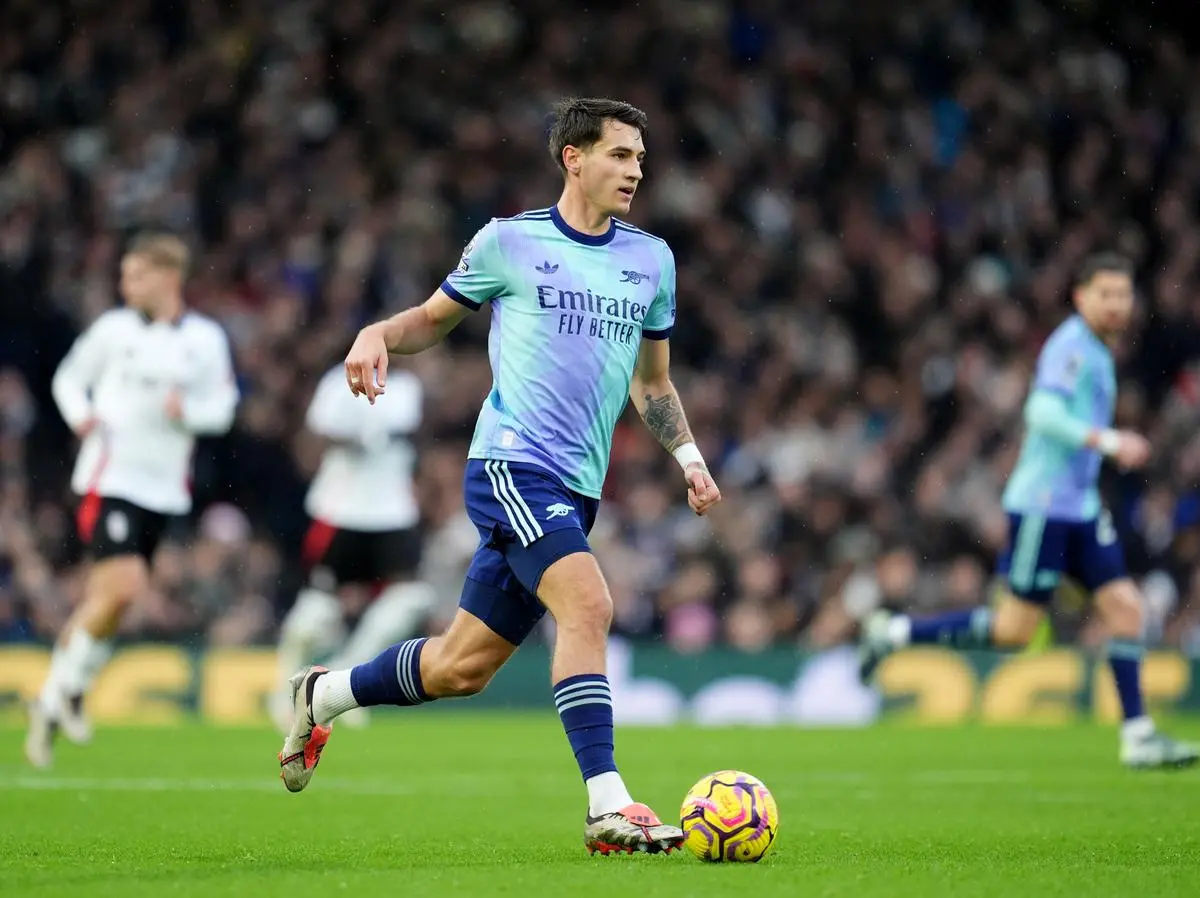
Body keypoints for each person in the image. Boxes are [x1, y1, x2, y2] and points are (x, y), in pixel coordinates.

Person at [276, 97, 722, 854]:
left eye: (641, 158)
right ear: (573, 158)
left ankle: (322, 694)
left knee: (462, 667)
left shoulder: (652, 260)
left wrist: (689, 457)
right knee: (589, 605)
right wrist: (376, 333)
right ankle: (607, 805)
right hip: (512, 465)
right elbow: (431, 319)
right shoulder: (509, 243)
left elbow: (653, 383)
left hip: (578, 487)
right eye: (620, 154)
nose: (636, 171)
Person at [858, 253, 1200, 770]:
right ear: (1080, 296)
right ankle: (893, 633)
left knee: (1127, 610)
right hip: (1043, 509)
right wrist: (1107, 440)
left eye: (1123, 294)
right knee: (1013, 632)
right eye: (1104, 293)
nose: (1115, 304)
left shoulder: (1098, 351)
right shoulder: (1071, 347)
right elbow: (1040, 412)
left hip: (1081, 509)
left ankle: (1138, 736)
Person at [26, 232, 239, 769]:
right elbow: (68, 379)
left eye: (136, 274)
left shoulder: (205, 339)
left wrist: (187, 412)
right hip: (110, 476)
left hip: (164, 489)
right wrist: (82, 416)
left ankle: (61, 694)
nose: (126, 285)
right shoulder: (113, 330)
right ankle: (62, 693)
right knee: (125, 588)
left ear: (169, 276)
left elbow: (223, 407)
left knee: (108, 600)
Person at [269, 363, 435, 732]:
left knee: (410, 598)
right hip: (340, 508)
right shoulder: (334, 381)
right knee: (318, 607)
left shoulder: (406, 385)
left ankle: (341, 683)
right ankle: (282, 692)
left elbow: (408, 428)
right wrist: (352, 436)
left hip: (392, 510)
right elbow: (317, 433)